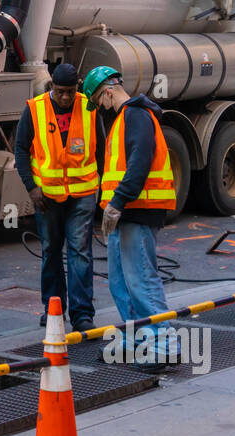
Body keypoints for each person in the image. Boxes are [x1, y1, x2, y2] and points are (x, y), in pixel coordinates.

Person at [84, 66, 178, 369]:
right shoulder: (126, 118)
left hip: (137, 210)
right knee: (121, 280)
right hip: (125, 211)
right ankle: (137, 336)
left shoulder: (136, 115)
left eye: (99, 100)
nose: (100, 107)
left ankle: (164, 342)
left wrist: (118, 203)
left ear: (108, 91)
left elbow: (140, 161)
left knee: (140, 278)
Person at [14, 63, 99, 331]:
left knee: (79, 252)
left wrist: (103, 191)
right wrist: (31, 187)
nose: (66, 97)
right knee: (51, 251)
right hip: (47, 197)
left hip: (82, 193)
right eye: (61, 92)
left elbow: (103, 148)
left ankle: (82, 314)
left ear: (77, 88)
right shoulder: (35, 108)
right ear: (52, 87)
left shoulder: (88, 107)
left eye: (71, 92)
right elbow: (20, 149)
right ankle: (53, 308)